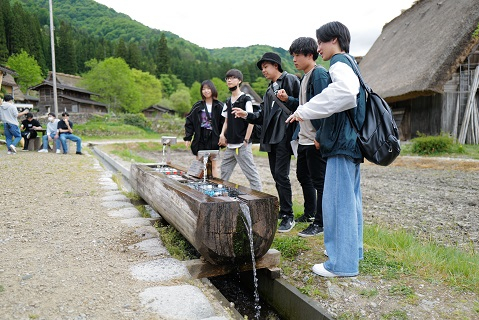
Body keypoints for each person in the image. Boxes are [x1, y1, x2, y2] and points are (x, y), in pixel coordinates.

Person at [286, 21, 366, 277]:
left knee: (337, 203)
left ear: (334, 40)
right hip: (350, 143)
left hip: (341, 144)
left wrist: (304, 110)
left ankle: (341, 264)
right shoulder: (350, 63)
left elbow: (345, 92)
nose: (318, 47)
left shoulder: (339, 63)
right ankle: (353, 252)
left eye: (320, 42)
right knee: (351, 202)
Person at [231, 52, 300, 232]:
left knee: (281, 175)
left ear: (276, 66)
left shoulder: (290, 80)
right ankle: (284, 211)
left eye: (265, 67)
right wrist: (246, 115)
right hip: (271, 137)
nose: (263, 70)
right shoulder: (269, 90)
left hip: (284, 135)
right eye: (262, 68)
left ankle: (288, 215)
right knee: (276, 176)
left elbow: (302, 104)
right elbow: (262, 116)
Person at [284, 37, 331, 237]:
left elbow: (325, 107)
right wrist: (290, 100)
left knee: (319, 181)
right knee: (304, 176)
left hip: (314, 138)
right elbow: (306, 104)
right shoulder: (305, 77)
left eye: (297, 55)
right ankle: (310, 213)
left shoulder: (319, 74)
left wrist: (320, 135)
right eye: (293, 55)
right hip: (303, 137)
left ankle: (320, 223)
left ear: (310, 55)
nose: (294, 59)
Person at [219, 69, 262, 191]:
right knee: (224, 172)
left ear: (239, 81)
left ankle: (258, 199)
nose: (229, 80)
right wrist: (222, 134)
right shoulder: (228, 101)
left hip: (242, 144)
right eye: (227, 78)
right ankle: (222, 196)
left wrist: (246, 140)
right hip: (230, 144)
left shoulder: (246, 99)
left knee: (251, 174)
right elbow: (226, 120)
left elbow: (251, 120)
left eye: (232, 78)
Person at [184, 80, 225, 178]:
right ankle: (198, 188)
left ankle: (216, 188)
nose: (206, 91)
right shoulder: (198, 106)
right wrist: (188, 138)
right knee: (200, 163)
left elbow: (225, 123)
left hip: (214, 137)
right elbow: (189, 121)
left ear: (212, 90)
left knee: (214, 165)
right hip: (200, 137)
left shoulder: (219, 106)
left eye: (208, 88)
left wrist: (224, 137)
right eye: (203, 89)